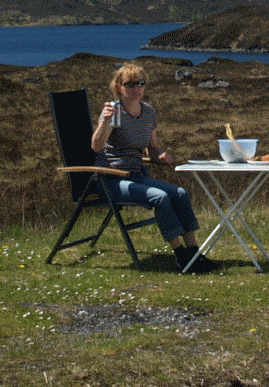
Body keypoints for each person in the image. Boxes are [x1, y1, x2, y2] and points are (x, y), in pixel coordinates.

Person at [92, 62, 219, 273]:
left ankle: (194, 252)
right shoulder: (113, 111)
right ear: (119, 87)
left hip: (136, 176)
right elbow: (96, 147)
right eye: (130, 84)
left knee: (180, 193)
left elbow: (151, 148)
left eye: (140, 83)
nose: (137, 88)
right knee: (159, 197)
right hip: (111, 180)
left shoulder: (149, 112)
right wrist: (104, 121)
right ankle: (180, 256)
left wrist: (160, 155)